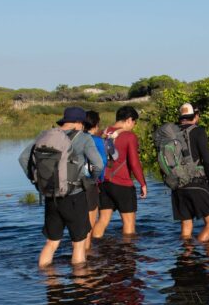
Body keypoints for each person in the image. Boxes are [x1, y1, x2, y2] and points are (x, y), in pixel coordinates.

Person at [19, 106, 104, 267]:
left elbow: (23, 158)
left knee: (51, 242)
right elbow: (98, 164)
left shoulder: (45, 135)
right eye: (82, 123)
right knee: (78, 243)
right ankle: (79, 280)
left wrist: (36, 180)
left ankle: (46, 278)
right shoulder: (84, 138)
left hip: (50, 195)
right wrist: (91, 180)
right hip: (75, 195)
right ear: (78, 122)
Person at [92, 105, 147, 238]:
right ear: (129, 120)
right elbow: (134, 163)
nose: (133, 126)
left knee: (103, 220)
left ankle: (93, 246)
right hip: (123, 184)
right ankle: (128, 250)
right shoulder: (129, 136)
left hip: (103, 183)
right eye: (134, 122)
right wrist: (142, 183)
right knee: (129, 223)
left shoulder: (102, 133)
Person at [170, 103, 209, 242]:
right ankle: (200, 245)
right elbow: (208, 161)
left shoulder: (171, 134)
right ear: (195, 116)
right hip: (196, 183)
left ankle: (187, 254)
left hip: (177, 186)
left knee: (186, 227)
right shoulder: (199, 131)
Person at [85, 110, 110, 229]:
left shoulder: (77, 138)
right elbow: (102, 162)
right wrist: (100, 178)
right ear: (96, 124)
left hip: (74, 182)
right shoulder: (97, 140)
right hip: (90, 183)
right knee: (90, 223)